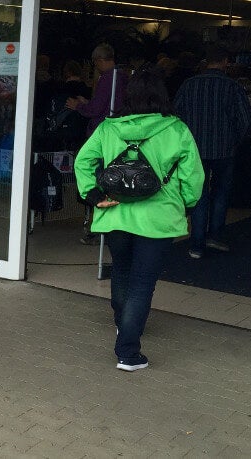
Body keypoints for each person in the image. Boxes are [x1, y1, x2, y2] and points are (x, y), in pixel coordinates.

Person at [73, 69, 204, 372]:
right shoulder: (176, 130)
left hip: (115, 212)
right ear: (162, 96)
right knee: (143, 282)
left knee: (121, 272)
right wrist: (187, 205)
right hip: (157, 219)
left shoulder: (109, 127)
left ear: (129, 97)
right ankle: (128, 352)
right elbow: (193, 177)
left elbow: (83, 161)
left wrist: (93, 196)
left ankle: (124, 325)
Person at [174, 46, 251, 260]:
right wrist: (234, 141)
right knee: (221, 193)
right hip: (224, 149)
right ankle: (215, 236)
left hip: (194, 149)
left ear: (205, 61)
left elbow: (176, 116)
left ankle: (196, 244)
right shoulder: (232, 86)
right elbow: (245, 120)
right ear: (226, 61)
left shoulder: (189, 85)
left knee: (199, 194)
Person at [67, 43, 128, 245]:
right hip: (120, 134)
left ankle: (99, 227)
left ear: (100, 60)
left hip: (103, 134)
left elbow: (96, 109)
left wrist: (80, 105)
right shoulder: (124, 77)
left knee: (98, 180)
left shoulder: (107, 78)